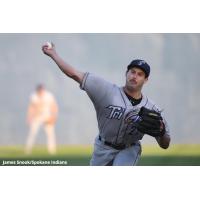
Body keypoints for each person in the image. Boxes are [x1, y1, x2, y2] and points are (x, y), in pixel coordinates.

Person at [42, 43, 171, 166]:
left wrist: (161, 132)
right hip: (102, 147)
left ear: (146, 80)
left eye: (140, 74)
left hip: (129, 149)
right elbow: (74, 73)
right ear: (126, 73)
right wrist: (53, 54)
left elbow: (165, 144)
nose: (134, 76)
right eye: (132, 72)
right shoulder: (106, 91)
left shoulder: (152, 108)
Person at [25, 84, 58, 155]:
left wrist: (54, 116)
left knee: (50, 134)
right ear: (37, 90)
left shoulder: (48, 96)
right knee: (32, 133)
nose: (41, 92)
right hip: (37, 117)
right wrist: (29, 117)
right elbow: (31, 107)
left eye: (42, 90)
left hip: (47, 116)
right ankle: (28, 150)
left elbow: (54, 106)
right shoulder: (34, 96)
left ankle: (52, 151)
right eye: (39, 91)